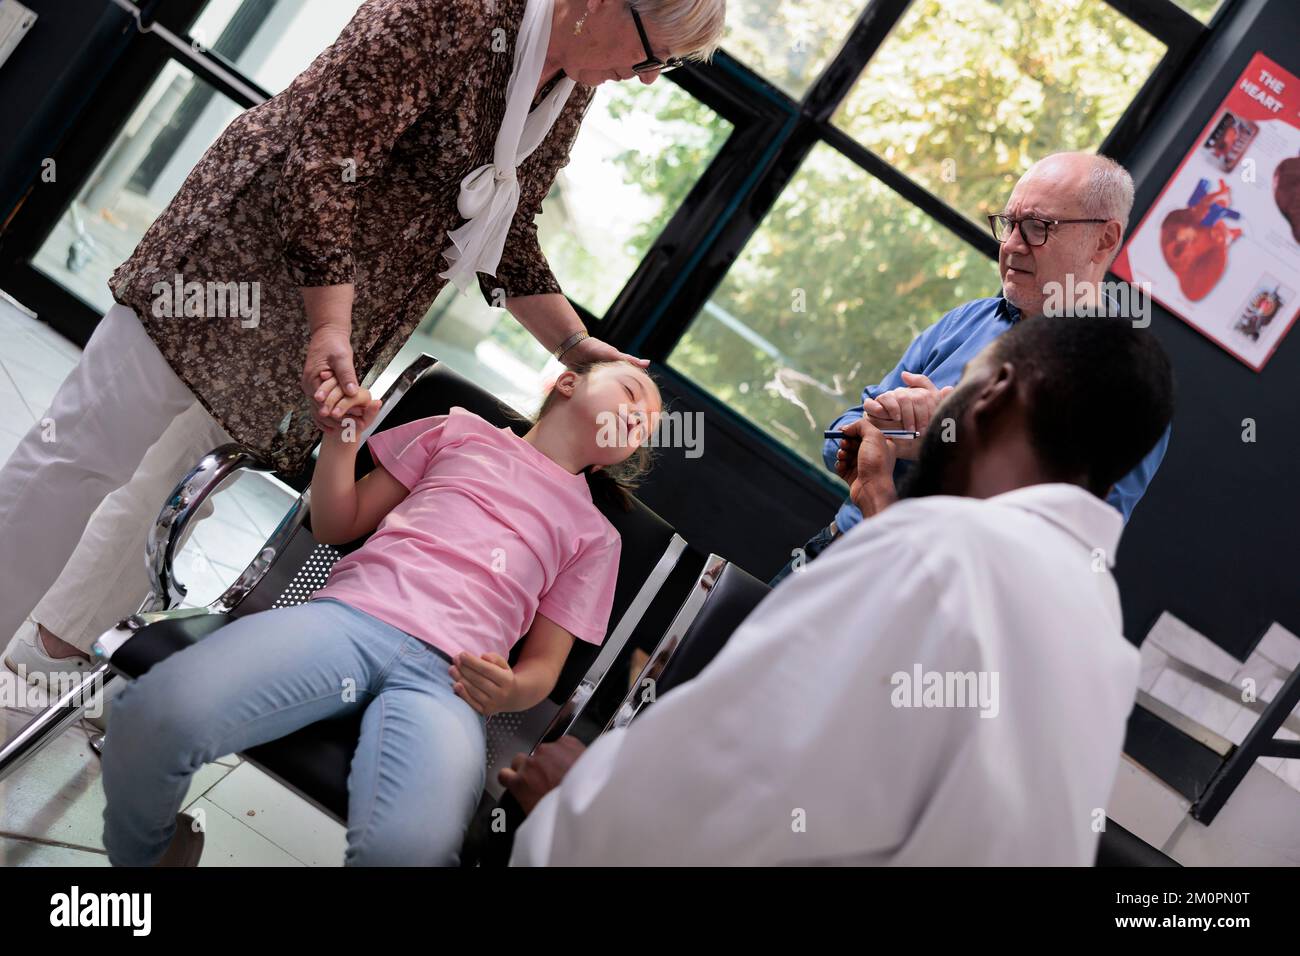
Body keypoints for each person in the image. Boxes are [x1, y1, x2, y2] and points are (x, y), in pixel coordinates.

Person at [0, 0, 726, 696]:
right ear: (603, 1)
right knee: (83, 454)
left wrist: (571, 342)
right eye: (651, 56)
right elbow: (321, 158)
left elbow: (508, 225)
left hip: (334, 317)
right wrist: (329, 323)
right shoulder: (458, 11)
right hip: (239, 262)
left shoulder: (565, 82)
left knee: (176, 486)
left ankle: (44, 662)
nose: (648, 77)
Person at [501, 315, 1175, 866]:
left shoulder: (934, 550)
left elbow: (724, 783)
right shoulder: (1099, 640)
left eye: (959, 384)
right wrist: (881, 496)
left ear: (993, 394)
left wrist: (570, 809)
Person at [100, 359, 662, 866]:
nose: (641, 417)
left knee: (406, 854)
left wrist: (509, 690)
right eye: (634, 392)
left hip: (450, 685)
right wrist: (342, 441)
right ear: (568, 381)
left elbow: (544, 668)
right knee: (155, 716)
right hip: (345, 622)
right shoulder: (457, 431)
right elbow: (336, 525)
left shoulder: (596, 537)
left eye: (650, 425)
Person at [770, 151, 1170, 587]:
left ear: (1104, 240)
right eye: (1009, 223)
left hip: (935, 599)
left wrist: (945, 440)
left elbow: (1066, 551)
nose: (1012, 245)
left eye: (1038, 227)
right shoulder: (968, 321)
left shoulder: (1127, 388)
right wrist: (886, 429)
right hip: (832, 553)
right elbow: (840, 437)